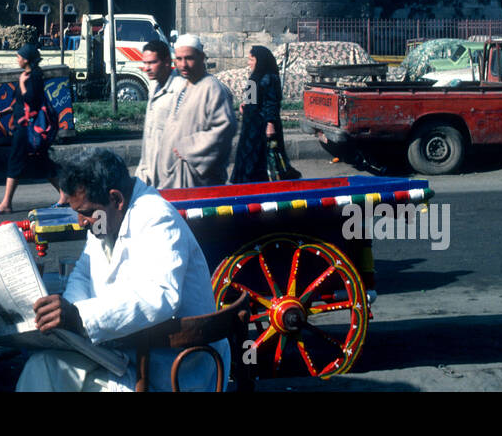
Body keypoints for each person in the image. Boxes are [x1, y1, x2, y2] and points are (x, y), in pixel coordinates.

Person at [16, 147, 227, 392]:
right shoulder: (103, 216)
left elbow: (160, 297)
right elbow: (84, 272)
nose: (80, 222)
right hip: (127, 354)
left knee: (49, 377)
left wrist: (79, 316)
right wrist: (68, 320)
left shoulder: (156, 217)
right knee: (42, 365)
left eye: (84, 214)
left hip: (167, 369)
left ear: (116, 199)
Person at [150, 35, 237, 188]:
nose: (183, 64)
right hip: (173, 175)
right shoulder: (184, 86)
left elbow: (225, 128)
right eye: (179, 59)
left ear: (201, 57)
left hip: (195, 179)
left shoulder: (213, 88)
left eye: (189, 58)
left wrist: (188, 147)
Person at [0, 45, 58, 215]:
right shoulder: (27, 76)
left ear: (26, 59)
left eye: (18, 56)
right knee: (40, 161)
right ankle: (65, 195)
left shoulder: (32, 78)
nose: (17, 59)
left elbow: (31, 101)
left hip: (27, 128)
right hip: (23, 124)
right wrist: (5, 112)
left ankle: (6, 203)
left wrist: (22, 84)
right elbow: (19, 103)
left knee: (15, 160)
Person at [231, 45, 299, 183]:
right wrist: (245, 105)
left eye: (251, 60)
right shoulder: (254, 77)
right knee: (249, 158)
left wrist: (270, 123)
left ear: (259, 60)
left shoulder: (270, 78)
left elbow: (272, 102)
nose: (248, 63)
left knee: (265, 159)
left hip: (263, 126)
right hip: (250, 127)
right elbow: (251, 99)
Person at [133, 40, 184, 187]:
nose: (146, 68)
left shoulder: (180, 89)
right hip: (147, 169)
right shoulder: (153, 85)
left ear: (167, 61)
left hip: (170, 175)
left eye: (152, 63)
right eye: (145, 63)